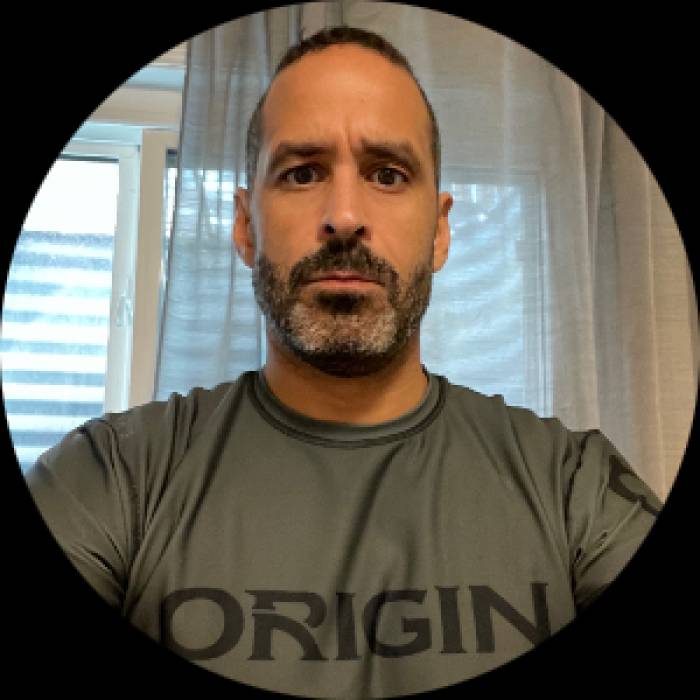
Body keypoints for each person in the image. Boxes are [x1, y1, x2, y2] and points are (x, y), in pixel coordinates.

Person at [25, 25, 662, 698]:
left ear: (440, 229)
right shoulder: (110, 478)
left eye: (388, 174)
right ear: (245, 226)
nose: (346, 215)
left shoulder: (576, 488)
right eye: (302, 172)